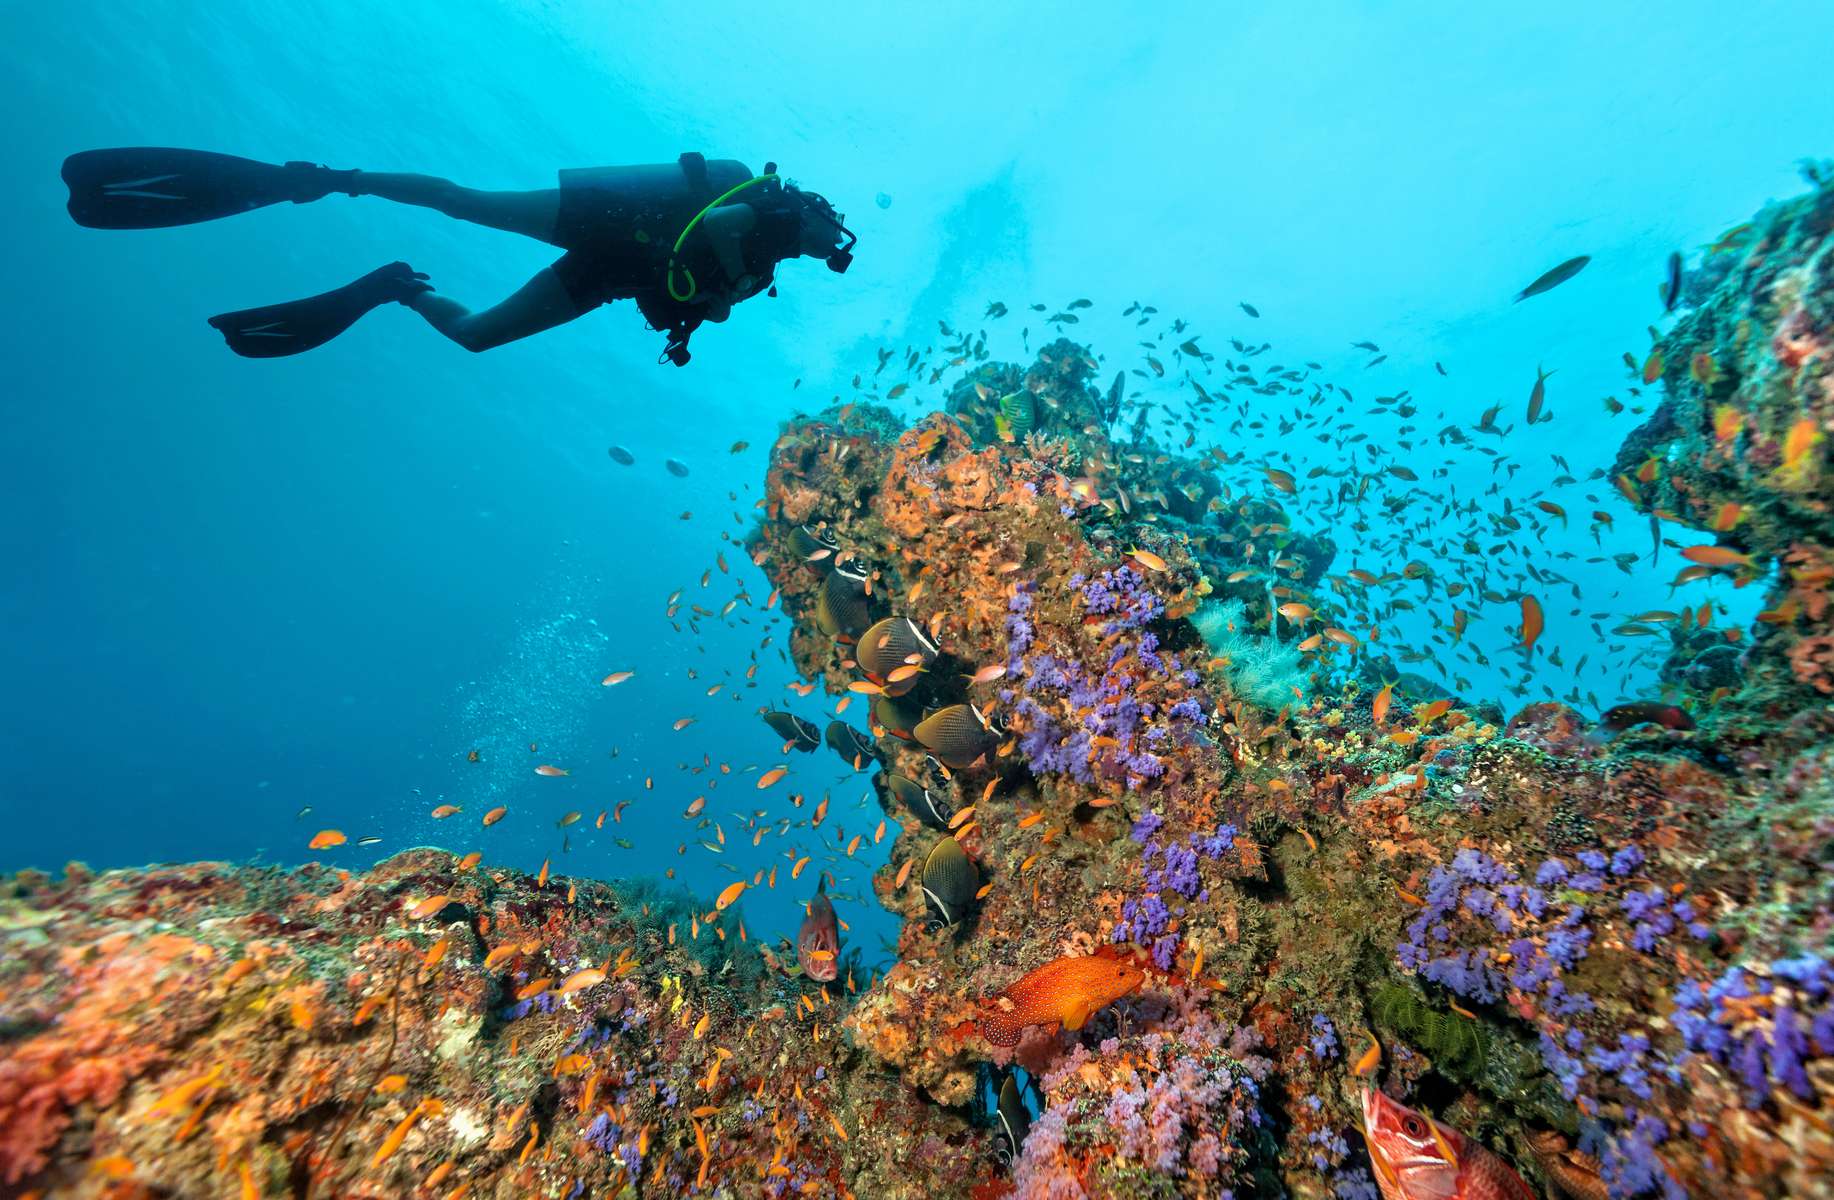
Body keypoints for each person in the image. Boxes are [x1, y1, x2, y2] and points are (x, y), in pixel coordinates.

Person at [62, 148, 855, 365]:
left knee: (477, 335)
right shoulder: (781, 213)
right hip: (615, 219)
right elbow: (720, 232)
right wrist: (734, 280)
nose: (828, 251)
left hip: (614, 273)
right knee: (465, 201)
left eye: (831, 250)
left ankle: (398, 288)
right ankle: (333, 181)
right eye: (833, 239)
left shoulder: (771, 268)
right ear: (823, 218)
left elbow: (706, 302)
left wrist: (722, 296)